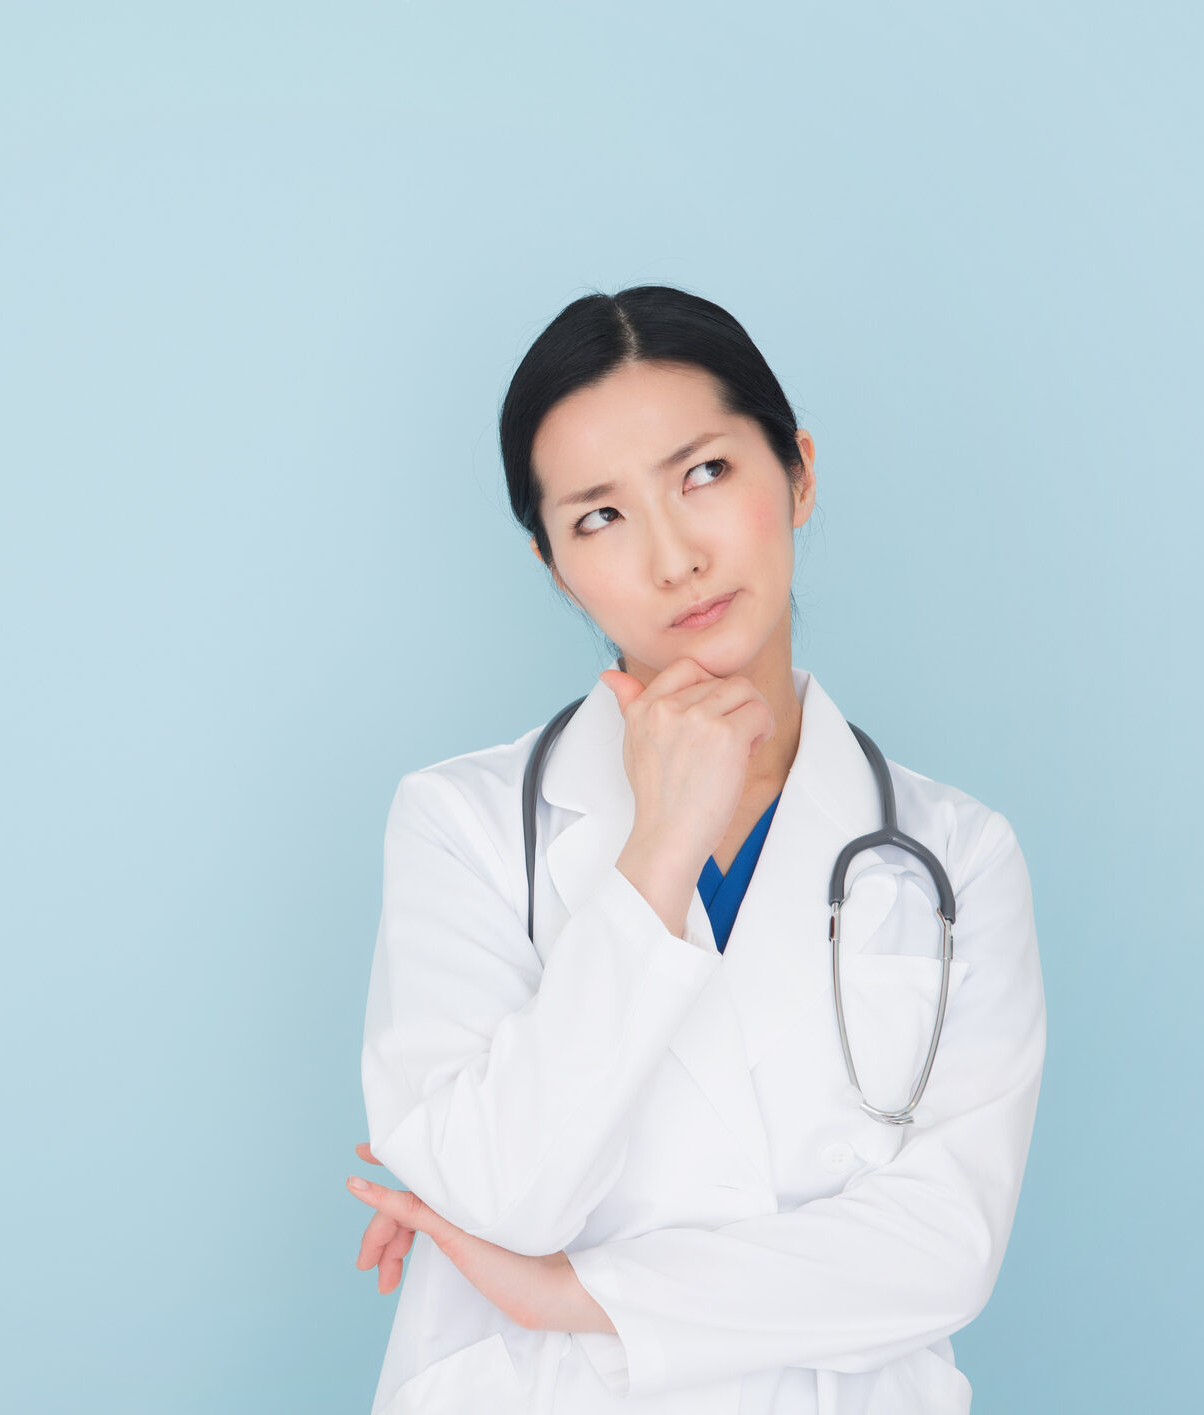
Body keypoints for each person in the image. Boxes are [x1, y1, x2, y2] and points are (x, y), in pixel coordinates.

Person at [346, 285, 1046, 1414]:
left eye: (703, 473)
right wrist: (659, 849)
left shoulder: (955, 855)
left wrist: (570, 1290)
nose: (673, 556)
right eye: (599, 517)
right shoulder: (461, 825)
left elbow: (939, 1244)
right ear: (552, 564)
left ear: (799, 473)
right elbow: (504, 1190)